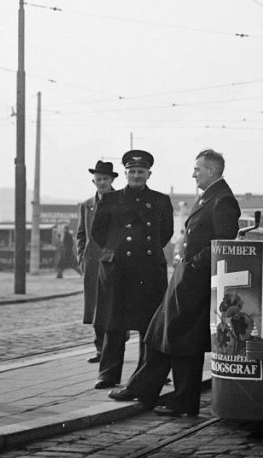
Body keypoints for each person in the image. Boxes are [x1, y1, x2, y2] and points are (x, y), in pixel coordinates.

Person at [110, 148, 241, 417]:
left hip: (195, 281)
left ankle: (181, 400)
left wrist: (194, 263)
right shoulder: (211, 196)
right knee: (160, 333)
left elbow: (223, 243)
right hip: (185, 279)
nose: (193, 173)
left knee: (182, 341)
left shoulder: (222, 200)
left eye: (198, 169)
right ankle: (144, 389)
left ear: (212, 171)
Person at [90, 150, 174, 390]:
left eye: (141, 172)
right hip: (118, 269)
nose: (137, 175)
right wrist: (114, 250)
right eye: (132, 172)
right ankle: (108, 373)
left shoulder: (160, 200)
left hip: (148, 269)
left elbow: (165, 233)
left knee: (149, 324)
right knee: (113, 323)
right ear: (125, 174)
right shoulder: (110, 200)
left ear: (149, 174)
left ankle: (146, 372)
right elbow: (98, 232)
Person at [76, 159, 118, 364]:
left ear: (112, 180)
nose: (102, 183)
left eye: (105, 179)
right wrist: (80, 256)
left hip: (114, 261)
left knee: (112, 305)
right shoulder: (86, 206)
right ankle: (100, 349)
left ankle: (113, 348)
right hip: (92, 262)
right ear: (94, 181)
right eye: (98, 179)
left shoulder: (120, 201)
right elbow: (80, 234)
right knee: (95, 306)